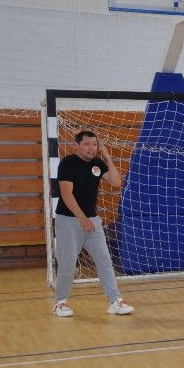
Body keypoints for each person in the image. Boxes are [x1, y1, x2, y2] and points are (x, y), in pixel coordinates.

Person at [52, 130, 135, 317]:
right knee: (68, 263)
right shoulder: (67, 163)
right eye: (87, 144)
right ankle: (60, 302)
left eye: (95, 144)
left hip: (92, 221)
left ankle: (115, 301)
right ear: (77, 145)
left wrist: (108, 158)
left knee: (104, 260)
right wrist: (82, 219)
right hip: (68, 221)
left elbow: (116, 182)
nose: (92, 148)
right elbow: (66, 195)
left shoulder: (98, 164)